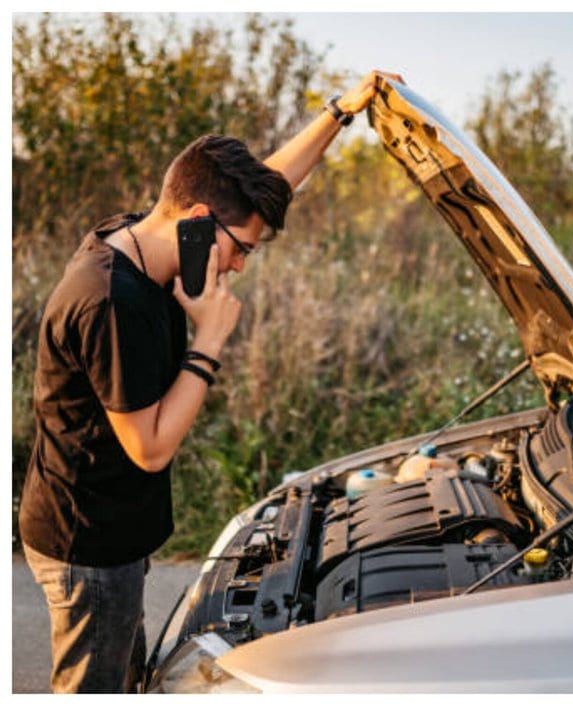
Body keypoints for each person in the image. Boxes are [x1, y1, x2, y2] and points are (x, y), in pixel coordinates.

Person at [17, 70, 397, 693]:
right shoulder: (114, 302)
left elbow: (265, 189)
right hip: (88, 544)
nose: (242, 264)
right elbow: (150, 448)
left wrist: (339, 114)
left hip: (109, 527)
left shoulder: (145, 238)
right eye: (242, 248)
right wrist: (210, 341)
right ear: (197, 220)